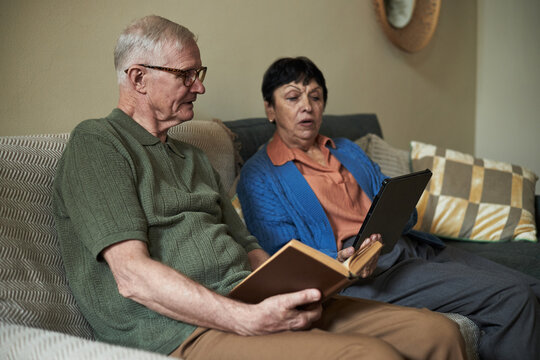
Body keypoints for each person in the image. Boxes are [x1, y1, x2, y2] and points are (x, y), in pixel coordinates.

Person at [52, 15, 466, 360]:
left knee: (439, 333)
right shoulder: (98, 143)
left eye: (200, 73)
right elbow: (133, 277)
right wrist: (245, 319)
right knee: (371, 356)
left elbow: (249, 246)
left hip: (252, 301)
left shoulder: (192, 156)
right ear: (138, 78)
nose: (200, 87)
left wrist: (319, 272)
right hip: (182, 332)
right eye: (187, 75)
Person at [236, 56, 540, 360]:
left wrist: (399, 211)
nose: (307, 106)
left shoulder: (346, 149)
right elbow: (286, 258)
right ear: (270, 109)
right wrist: (346, 262)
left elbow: (402, 208)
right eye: (292, 97)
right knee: (514, 298)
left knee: (534, 288)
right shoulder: (259, 175)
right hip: (363, 274)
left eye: (315, 96)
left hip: (404, 244)